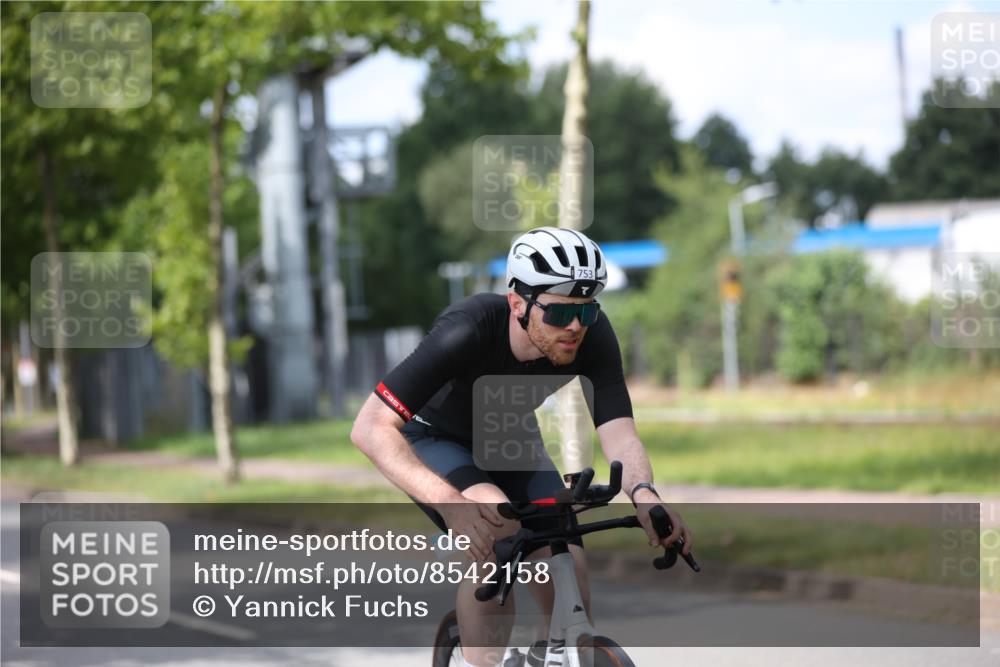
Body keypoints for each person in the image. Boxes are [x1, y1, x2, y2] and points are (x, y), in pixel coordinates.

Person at [351, 227, 692, 667]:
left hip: (508, 437)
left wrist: (646, 496)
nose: (574, 328)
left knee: (567, 560)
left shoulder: (592, 335)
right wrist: (451, 504)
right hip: (434, 437)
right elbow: (369, 427)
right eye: (559, 315)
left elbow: (620, 433)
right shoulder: (467, 329)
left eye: (586, 313)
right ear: (517, 304)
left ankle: (553, 654)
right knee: (497, 528)